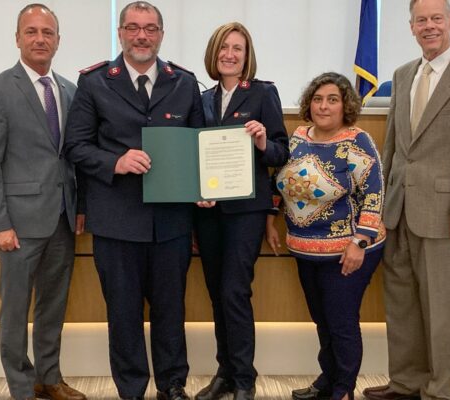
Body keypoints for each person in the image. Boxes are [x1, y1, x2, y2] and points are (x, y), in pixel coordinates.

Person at [362, 1, 450, 400]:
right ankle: (406, 382)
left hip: (447, 215)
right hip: (399, 210)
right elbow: (393, 146)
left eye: (436, 19)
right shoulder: (403, 75)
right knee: (402, 303)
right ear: (411, 27)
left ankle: (438, 389)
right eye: (421, 20)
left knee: (442, 308)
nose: (429, 27)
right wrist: (381, 205)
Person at [63, 2, 204, 400]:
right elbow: (75, 146)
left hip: (171, 221)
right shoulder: (94, 83)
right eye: (133, 28)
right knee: (123, 315)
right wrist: (116, 161)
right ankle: (131, 389)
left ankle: (172, 385)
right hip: (116, 220)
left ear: (161, 34)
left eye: (150, 29)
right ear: (121, 33)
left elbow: (199, 148)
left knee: (170, 312)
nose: (142, 35)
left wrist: (205, 189)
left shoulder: (184, 83)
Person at [0, 4, 86, 400]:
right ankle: (21, 387)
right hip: (17, 224)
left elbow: (72, 157)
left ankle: (48, 379)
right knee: (16, 311)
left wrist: (80, 208)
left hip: (62, 218)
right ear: (17, 38)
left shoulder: (71, 91)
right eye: (31, 32)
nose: (40, 39)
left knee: (53, 307)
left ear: (58, 40)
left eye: (48, 32)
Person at [267, 72, 385, 400]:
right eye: (318, 99)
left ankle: (343, 389)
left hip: (348, 251)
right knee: (322, 320)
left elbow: (374, 194)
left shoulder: (357, 142)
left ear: (345, 105)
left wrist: (359, 242)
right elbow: (282, 179)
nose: (324, 106)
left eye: (332, 100)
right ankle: (328, 378)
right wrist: (269, 217)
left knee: (341, 323)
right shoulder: (299, 136)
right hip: (306, 249)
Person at [193, 22, 289, 400]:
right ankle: (225, 373)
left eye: (238, 49)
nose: (230, 55)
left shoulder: (263, 93)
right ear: (213, 54)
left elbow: (282, 153)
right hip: (207, 210)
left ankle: (245, 378)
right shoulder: (200, 99)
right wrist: (194, 192)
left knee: (234, 290)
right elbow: (194, 154)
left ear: (247, 57)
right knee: (217, 292)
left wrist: (264, 141)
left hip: (246, 211)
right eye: (224, 48)